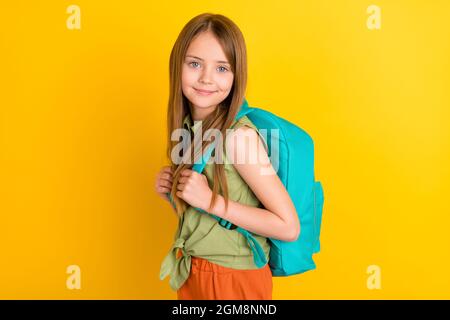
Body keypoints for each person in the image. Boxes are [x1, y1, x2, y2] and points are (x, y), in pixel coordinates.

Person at [156, 13, 300, 300]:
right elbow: (209, 224)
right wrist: (175, 195)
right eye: (195, 64)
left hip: (232, 280)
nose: (207, 78)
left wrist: (211, 200)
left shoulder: (238, 138)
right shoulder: (189, 130)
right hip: (195, 270)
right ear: (178, 65)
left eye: (222, 68)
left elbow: (288, 227)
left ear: (236, 76)